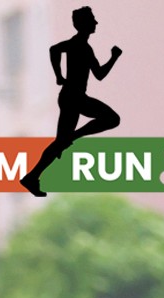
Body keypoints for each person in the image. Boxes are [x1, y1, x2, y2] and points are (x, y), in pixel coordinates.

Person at [22, 5, 121, 195]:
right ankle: (35, 174)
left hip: (74, 96)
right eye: (92, 20)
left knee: (60, 143)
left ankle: (32, 177)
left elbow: (98, 74)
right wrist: (59, 75)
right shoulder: (78, 45)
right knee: (111, 119)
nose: (96, 22)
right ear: (84, 24)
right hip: (73, 97)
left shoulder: (84, 46)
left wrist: (113, 58)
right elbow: (54, 50)